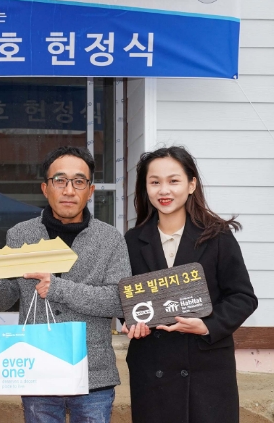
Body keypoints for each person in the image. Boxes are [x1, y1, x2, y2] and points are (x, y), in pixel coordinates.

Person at [0, 146, 131, 423]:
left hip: (93, 374)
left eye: (78, 181)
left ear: (90, 190)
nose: (69, 190)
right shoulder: (21, 234)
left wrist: (58, 288)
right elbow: (5, 299)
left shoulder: (110, 239)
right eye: (60, 181)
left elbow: (118, 301)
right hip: (38, 370)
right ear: (45, 188)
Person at [123, 146, 257, 423]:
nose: (164, 190)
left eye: (174, 181)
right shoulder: (132, 241)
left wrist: (207, 325)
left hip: (206, 370)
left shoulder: (217, 236)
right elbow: (126, 296)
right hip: (152, 371)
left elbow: (243, 297)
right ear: (145, 188)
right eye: (155, 182)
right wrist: (128, 320)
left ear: (191, 184)